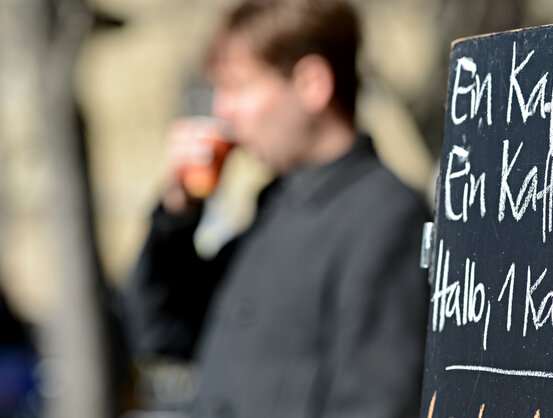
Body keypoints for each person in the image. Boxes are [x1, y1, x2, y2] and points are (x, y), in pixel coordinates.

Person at [124, 1, 429, 416]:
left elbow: (377, 404)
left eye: (237, 87)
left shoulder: (387, 216)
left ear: (311, 83)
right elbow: (161, 331)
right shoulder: (275, 210)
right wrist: (177, 215)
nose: (222, 111)